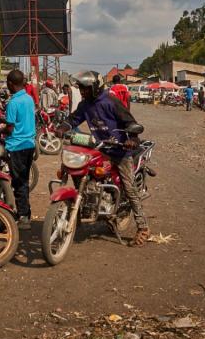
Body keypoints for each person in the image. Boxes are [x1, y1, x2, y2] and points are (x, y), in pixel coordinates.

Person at [59, 71, 149, 246]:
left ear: (95, 87)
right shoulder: (86, 104)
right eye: (81, 88)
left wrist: (131, 139)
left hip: (120, 151)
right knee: (80, 169)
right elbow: (74, 119)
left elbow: (130, 122)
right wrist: (63, 127)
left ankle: (143, 227)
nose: (82, 91)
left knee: (129, 188)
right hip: (101, 148)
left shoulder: (111, 101)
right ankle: (85, 206)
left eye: (85, 88)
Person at [0, 70, 36, 230]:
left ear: (10, 84)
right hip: (29, 144)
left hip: (16, 146)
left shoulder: (13, 103)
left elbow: (10, 129)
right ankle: (25, 212)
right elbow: (20, 120)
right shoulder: (28, 99)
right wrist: (2, 119)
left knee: (19, 182)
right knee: (23, 180)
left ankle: (23, 216)